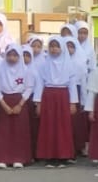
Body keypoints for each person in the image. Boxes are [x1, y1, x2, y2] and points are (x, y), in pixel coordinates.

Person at [33, 38, 79, 167]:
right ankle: (49, 156)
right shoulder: (44, 65)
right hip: (48, 96)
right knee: (49, 126)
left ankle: (63, 155)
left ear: (62, 48)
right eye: (52, 46)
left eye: (57, 46)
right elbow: (39, 84)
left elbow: (72, 85)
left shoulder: (69, 65)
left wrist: (73, 103)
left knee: (62, 126)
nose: (54, 49)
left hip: (63, 97)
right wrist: (38, 102)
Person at [0, 45, 34, 169]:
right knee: (4, 131)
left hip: (19, 102)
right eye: (9, 55)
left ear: (20, 56)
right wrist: (3, 104)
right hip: (5, 102)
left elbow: (29, 88)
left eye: (15, 55)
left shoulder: (25, 71)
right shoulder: (1, 70)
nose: (12, 58)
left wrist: (20, 104)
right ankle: (2, 158)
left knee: (19, 131)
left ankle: (18, 158)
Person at [66, 38, 91, 158]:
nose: (69, 49)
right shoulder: (59, 62)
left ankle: (79, 147)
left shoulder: (80, 63)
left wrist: (84, 100)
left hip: (77, 91)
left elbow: (84, 82)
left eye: (72, 46)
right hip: (63, 93)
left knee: (77, 123)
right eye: (67, 46)